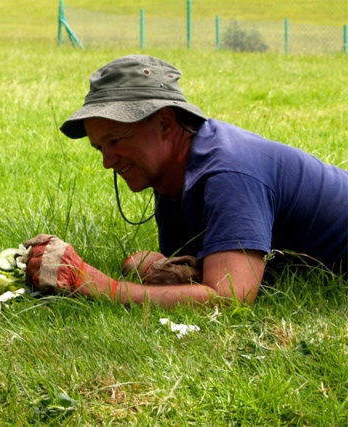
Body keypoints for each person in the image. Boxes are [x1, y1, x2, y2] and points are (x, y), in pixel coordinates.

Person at [23, 55, 348, 308]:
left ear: (166, 123)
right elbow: (193, 270)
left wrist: (96, 285)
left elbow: (230, 300)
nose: (108, 161)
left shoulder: (228, 172)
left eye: (116, 140)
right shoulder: (173, 175)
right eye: (99, 148)